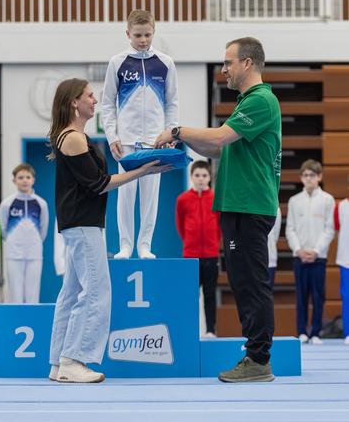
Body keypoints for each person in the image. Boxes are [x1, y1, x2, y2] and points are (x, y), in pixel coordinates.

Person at [155, 37, 281, 383]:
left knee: (251, 283)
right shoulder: (247, 103)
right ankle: (255, 354)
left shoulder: (260, 101)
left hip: (249, 205)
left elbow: (220, 138)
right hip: (238, 205)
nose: (223, 69)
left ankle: (259, 359)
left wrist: (178, 130)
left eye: (228, 62)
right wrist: (182, 139)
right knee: (242, 282)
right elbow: (216, 149)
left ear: (249, 63)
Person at [48, 78, 169, 383]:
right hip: (83, 223)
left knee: (72, 292)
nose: (95, 99)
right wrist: (142, 171)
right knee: (97, 292)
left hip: (79, 223)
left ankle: (58, 363)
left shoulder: (75, 136)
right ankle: (74, 359)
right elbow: (100, 184)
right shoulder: (73, 138)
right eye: (89, 95)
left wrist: (138, 165)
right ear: (74, 102)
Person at [102, 9, 179, 259]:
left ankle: (144, 244)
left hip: (155, 141)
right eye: (138, 35)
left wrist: (171, 133)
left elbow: (172, 102)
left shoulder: (166, 63)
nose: (143, 40)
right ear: (128, 34)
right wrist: (112, 136)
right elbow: (107, 103)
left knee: (150, 195)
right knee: (126, 193)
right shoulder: (117, 62)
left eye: (147, 34)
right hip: (126, 141)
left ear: (153, 32)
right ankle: (125, 245)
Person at [286, 160, 335, 345]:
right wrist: (298, 250)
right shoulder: (294, 201)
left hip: (318, 257)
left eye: (312, 175)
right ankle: (301, 332)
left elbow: (329, 229)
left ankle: (315, 332)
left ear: (319, 177)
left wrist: (315, 251)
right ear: (301, 178)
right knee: (301, 295)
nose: (308, 178)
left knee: (317, 295)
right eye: (305, 175)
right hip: (299, 256)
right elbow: (290, 229)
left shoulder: (327, 200)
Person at [175, 161, 220, 337]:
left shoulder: (216, 198)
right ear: (191, 177)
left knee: (209, 294)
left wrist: (214, 243)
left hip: (211, 254)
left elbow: (219, 227)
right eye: (197, 175)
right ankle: (190, 330)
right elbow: (180, 225)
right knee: (190, 296)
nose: (201, 179)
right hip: (191, 256)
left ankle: (210, 330)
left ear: (209, 177)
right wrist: (189, 242)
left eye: (204, 176)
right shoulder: (183, 200)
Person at [0, 163, 49, 303]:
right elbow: (2, 228)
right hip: (14, 254)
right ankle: (16, 322)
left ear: (33, 180)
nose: (25, 180)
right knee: (15, 293)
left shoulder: (41, 203)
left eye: (28, 177)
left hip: (34, 254)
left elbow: (43, 229)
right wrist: (13, 242)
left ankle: (32, 322)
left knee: (33, 293)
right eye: (20, 177)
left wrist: (34, 242)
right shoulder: (7, 203)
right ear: (14, 180)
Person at [335, 175, 349, 344]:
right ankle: (347, 333)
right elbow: (338, 229)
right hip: (346, 259)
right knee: (347, 297)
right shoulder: (340, 207)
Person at [268, 207, 282, 287]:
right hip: (251, 261)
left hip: (269, 260)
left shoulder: (275, 208)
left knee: (266, 294)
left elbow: (275, 235)